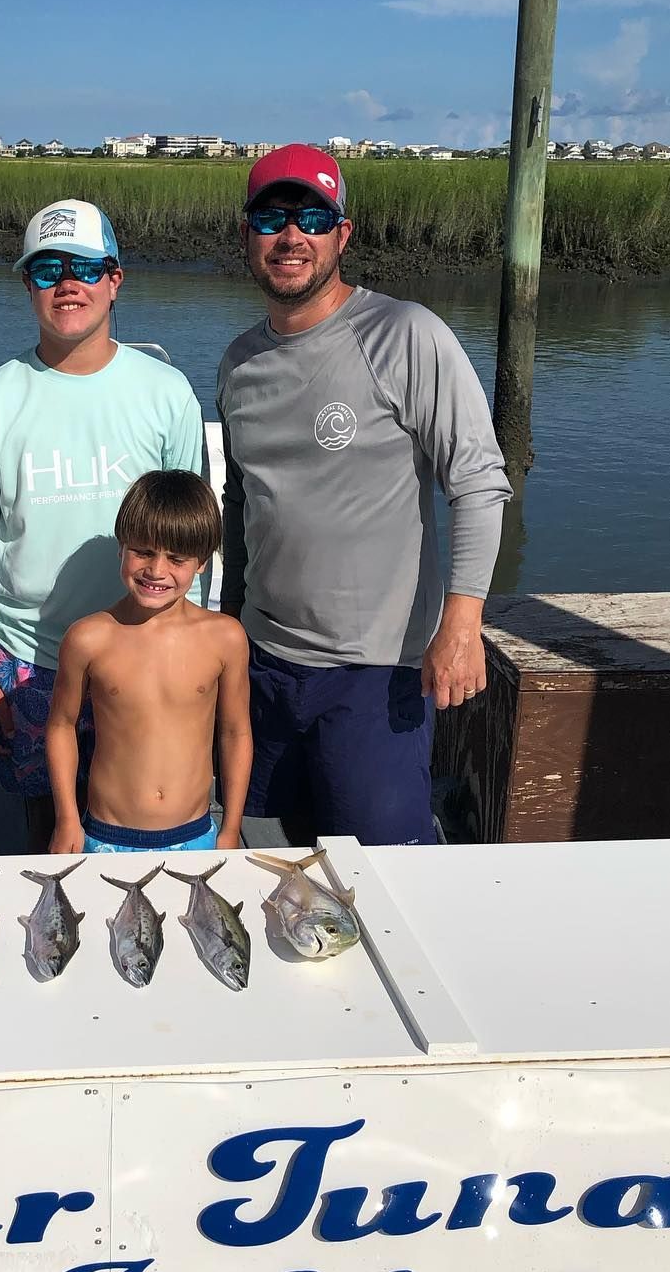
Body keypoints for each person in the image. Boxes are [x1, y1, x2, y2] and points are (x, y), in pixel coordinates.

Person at [218, 144, 513, 847]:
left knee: (381, 871)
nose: (291, 236)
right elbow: (241, 506)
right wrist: (227, 625)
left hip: (376, 673)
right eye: (272, 217)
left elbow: (477, 479)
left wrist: (462, 626)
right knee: (267, 852)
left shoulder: (405, 333)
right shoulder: (237, 363)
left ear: (341, 234)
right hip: (263, 662)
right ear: (247, 236)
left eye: (312, 217)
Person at [0, 199, 206, 849]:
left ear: (115, 279)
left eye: (85, 268)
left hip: (149, 651)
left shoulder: (166, 391)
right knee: (49, 827)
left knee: (145, 812)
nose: (68, 284)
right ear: (28, 286)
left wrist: (191, 650)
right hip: (29, 659)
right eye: (47, 270)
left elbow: (197, 539)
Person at [46, 471, 251, 855]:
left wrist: (231, 827)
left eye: (176, 559)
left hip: (196, 835)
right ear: (122, 547)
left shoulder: (226, 637)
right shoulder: (88, 637)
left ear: (202, 562)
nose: (157, 571)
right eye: (143, 551)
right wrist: (67, 818)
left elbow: (235, 733)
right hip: (105, 836)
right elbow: (61, 725)